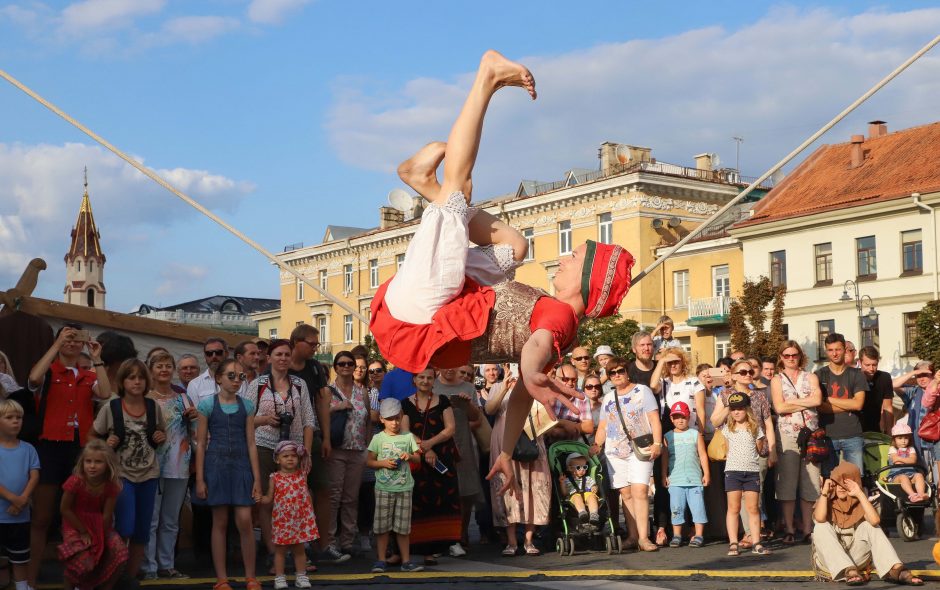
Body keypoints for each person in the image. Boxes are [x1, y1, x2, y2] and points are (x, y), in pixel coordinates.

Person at [369, 51, 634, 494]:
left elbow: (532, 351)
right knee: (514, 248)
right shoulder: (562, 333)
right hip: (450, 304)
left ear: (586, 280)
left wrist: (530, 374)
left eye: (574, 258)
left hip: (425, 310)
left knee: (459, 190)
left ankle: (486, 79)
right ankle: (426, 184)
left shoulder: (560, 319)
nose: (563, 259)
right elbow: (520, 399)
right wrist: (506, 450)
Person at [26, 324, 111, 589]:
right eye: (67, 338)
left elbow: (106, 393)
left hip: (79, 450)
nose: (72, 343)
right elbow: (33, 379)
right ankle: (26, 580)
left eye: (76, 339)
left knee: (76, 516)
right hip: (51, 446)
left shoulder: (87, 375)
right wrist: (56, 345)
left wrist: (97, 358)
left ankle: (74, 579)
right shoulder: (50, 370)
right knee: (42, 516)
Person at [91, 359, 167, 580]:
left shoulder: (153, 407)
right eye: (131, 377)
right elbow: (93, 437)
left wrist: (160, 438)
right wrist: (106, 446)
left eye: (141, 377)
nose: (137, 382)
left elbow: (161, 434)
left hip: (149, 474)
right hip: (121, 475)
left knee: (142, 530)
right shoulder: (112, 407)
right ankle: (115, 573)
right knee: (125, 526)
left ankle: (129, 579)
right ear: (122, 381)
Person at [194, 360, 262, 590]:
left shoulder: (248, 406)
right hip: (216, 466)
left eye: (241, 376)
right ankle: (221, 579)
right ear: (219, 378)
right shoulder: (206, 405)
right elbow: (201, 444)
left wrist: (257, 480)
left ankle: (250, 576)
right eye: (231, 375)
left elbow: (252, 443)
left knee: (244, 520)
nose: (236, 380)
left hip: (242, 465)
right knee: (220, 522)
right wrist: (200, 478)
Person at [246, 339, 315, 564]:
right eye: (278, 354)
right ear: (269, 358)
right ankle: (272, 550)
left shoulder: (299, 384)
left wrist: (306, 451)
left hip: (293, 450)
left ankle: (296, 551)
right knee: (267, 500)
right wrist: (266, 419)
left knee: (294, 500)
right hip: (265, 445)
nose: (283, 358)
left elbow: (308, 419)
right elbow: (245, 420)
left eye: (287, 354)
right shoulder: (257, 385)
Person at [812, 462, 923, 586]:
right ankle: (847, 569)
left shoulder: (860, 501)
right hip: (831, 562)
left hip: (856, 559)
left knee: (870, 525)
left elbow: (875, 521)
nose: (841, 487)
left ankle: (896, 569)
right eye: (838, 482)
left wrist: (859, 494)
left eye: (846, 483)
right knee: (820, 527)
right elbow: (820, 518)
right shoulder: (826, 499)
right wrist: (825, 492)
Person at [594, 357, 662, 552]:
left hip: (640, 449)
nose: (617, 375)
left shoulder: (642, 391)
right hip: (615, 452)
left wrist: (657, 443)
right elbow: (603, 427)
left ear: (627, 371)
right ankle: (632, 536)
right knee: (625, 494)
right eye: (612, 373)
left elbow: (654, 419)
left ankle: (643, 537)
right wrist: (596, 445)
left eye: (620, 371)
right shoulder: (607, 398)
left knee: (640, 491)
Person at [485, 372, 551, 556]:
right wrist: (504, 387)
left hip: (532, 440)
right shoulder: (499, 386)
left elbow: (547, 410)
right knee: (508, 490)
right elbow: (489, 410)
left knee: (534, 488)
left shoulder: (534, 383)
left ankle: (529, 540)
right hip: (504, 444)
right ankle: (512, 542)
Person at [711, 358, 776, 545]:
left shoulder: (760, 396)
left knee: (755, 494)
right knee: (737, 497)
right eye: (742, 372)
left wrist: (772, 450)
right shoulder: (725, 394)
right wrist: (729, 405)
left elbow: (768, 424)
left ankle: (752, 533)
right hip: (734, 451)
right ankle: (749, 533)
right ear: (732, 375)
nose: (748, 375)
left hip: (758, 448)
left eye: (750, 372)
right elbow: (714, 421)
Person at [144, 352, 196, 580]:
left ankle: (166, 564)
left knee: (171, 519)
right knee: (151, 519)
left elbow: (196, 433)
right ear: (151, 370)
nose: (163, 370)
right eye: (158, 366)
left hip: (179, 464)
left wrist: (195, 417)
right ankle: (149, 566)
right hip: (151, 465)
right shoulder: (144, 399)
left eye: (167, 366)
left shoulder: (183, 398)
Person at [286, 324, 336, 561]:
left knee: (323, 488)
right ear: (296, 342)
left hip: (312, 435)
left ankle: (322, 545)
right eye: (312, 344)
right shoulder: (281, 365)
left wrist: (325, 437)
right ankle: (295, 545)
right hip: (286, 440)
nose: (316, 348)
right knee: (293, 492)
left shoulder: (315, 368)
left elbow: (322, 404)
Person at [402, 368, 460, 564]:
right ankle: (417, 547)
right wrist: (424, 449)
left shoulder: (443, 400)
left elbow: (451, 428)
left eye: (429, 377)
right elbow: (405, 431)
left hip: (442, 457)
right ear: (414, 380)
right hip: (417, 458)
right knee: (418, 501)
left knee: (442, 499)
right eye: (421, 377)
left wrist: (430, 444)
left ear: (434, 380)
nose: (425, 381)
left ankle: (438, 547)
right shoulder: (405, 403)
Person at [770, 340, 822, 545]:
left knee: (810, 482)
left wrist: (792, 403)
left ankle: (808, 529)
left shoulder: (811, 376)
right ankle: (790, 528)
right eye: (787, 355)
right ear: (781, 358)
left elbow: (817, 401)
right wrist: (804, 402)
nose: (791, 358)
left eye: (794, 355)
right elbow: (779, 408)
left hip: (811, 433)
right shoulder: (777, 379)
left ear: (800, 355)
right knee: (788, 483)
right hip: (787, 434)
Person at [58, 440, 127, 590]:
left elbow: (107, 516)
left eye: (98, 462)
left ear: (107, 464)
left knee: (120, 552)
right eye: (88, 461)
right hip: (75, 523)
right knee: (83, 558)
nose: (92, 466)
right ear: (82, 462)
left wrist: (100, 539)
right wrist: (83, 531)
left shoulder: (110, 485)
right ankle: (72, 586)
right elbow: (65, 509)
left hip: (99, 524)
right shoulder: (76, 481)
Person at [366, 398, 423, 573]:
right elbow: (369, 461)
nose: (394, 422)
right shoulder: (378, 438)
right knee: (382, 526)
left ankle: (406, 561)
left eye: (397, 418)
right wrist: (383, 463)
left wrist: (410, 456)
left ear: (402, 416)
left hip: (405, 488)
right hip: (383, 488)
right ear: (382, 419)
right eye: (390, 419)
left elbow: (418, 459)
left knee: (403, 527)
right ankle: (381, 560)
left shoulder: (407, 437)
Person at [325, 351, 370, 561]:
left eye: (349, 363)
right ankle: (330, 541)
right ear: (335, 367)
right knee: (333, 496)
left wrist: (368, 446)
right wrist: (338, 407)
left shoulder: (363, 391)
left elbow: (368, 420)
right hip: (336, 449)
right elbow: (319, 416)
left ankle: (348, 541)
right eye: (341, 364)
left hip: (358, 449)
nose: (346, 367)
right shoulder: (327, 391)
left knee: (351, 497)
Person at [435, 367, 484, 556]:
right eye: (445, 365)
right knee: (440, 492)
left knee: (465, 492)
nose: (449, 369)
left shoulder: (468, 386)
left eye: (453, 365)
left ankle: (460, 535)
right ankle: (440, 538)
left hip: (463, 445)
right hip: (439, 445)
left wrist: (468, 403)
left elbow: (476, 417)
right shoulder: (433, 384)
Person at [261, 441, 318, 590]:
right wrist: (260, 498)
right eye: (285, 456)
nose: (290, 458)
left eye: (293, 455)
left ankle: (301, 575)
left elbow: (307, 495)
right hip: (282, 521)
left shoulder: (302, 475)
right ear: (277, 459)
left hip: (299, 519)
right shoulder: (274, 477)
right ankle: (279, 577)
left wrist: (311, 512)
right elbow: (269, 497)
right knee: (280, 551)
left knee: (299, 549)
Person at [722, 392, 770, 557]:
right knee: (733, 508)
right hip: (732, 472)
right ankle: (733, 543)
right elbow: (727, 448)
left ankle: (756, 542)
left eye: (740, 409)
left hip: (751, 472)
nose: (736, 412)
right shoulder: (727, 428)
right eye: (733, 409)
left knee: (753, 508)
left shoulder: (755, 428)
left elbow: (758, 447)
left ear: (747, 410)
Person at [0, 400, 39, 590]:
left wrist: (23, 498)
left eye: (19, 418)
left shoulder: (28, 449)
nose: (16, 421)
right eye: (9, 418)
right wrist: (14, 498)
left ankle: (23, 587)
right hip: (1, 514)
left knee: (20, 558)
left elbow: (34, 475)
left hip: (20, 516)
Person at [815, 333, 867, 472]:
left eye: (838, 349)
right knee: (829, 481)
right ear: (826, 351)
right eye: (830, 350)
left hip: (853, 434)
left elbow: (858, 404)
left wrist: (829, 399)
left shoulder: (856, 374)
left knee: (855, 479)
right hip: (828, 435)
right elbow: (819, 406)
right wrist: (849, 405)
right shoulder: (819, 375)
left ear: (845, 349)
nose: (835, 354)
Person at [661, 401, 708, 548]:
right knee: (676, 508)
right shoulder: (668, 436)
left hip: (694, 479)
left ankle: (699, 534)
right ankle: (677, 535)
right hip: (675, 480)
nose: (680, 420)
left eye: (683, 417)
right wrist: (664, 475)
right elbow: (665, 458)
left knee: (698, 507)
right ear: (671, 418)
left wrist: (706, 473)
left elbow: (702, 455)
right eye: (676, 417)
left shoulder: (695, 434)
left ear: (689, 417)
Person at [858, 346, 894, 433]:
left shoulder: (884, 378)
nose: (871, 368)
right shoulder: (853, 377)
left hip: (874, 428)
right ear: (859, 362)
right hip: (854, 429)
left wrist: (889, 432)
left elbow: (888, 407)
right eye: (867, 365)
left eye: (874, 365)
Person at [888, 423, 927, 502]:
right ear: (894, 439)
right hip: (897, 475)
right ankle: (912, 495)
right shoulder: (892, 449)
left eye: (906, 438)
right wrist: (907, 459)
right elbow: (895, 461)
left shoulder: (911, 448)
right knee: (904, 477)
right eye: (900, 438)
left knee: (919, 475)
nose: (903, 441)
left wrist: (900, 459)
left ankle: (921, 494)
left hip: (911, 473)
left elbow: (913, 460)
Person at [560, 452, 599, 526]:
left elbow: (594, 485)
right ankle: (582, 513)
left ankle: (594, 514)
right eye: (578, 467)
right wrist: (562, 483)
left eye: (584, 467)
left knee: (592, 497)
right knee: (577, 497)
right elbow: (564, 493)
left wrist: (594, 487)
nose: (582, 470)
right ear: (570, 468)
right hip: (574, 496)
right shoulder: (567, 480)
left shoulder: (588, 478)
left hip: (587, 494)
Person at [187, 338, 229, 405]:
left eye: (218, 352)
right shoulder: (194, 385)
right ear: (205, 356)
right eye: (209, 353)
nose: (214, 356)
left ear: (227, 354)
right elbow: (195, 413)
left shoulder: (240, 381)